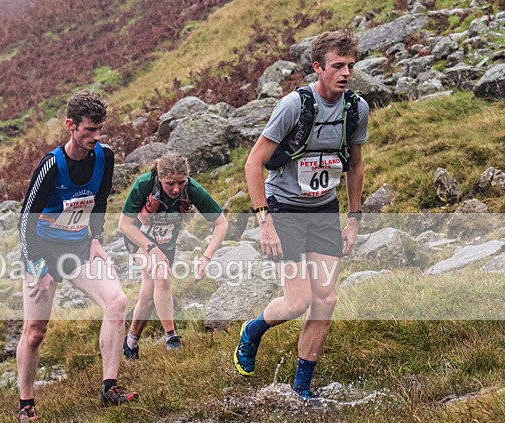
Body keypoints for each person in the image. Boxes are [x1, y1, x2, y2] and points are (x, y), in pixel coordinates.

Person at [232, 29, 369, 401]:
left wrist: (354, 219)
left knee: (326, 299)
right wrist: (265, 222)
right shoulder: (293, 106)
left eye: (350, 66)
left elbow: (356, 166)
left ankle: (302, 388)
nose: (345, 73)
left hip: (324, 209)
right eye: (337, 66)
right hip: (285, 210)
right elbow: (253, 163)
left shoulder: (357, 108)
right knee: (297, 302)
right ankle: (252, 331)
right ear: (317, 68)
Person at [16, 90, 137, 423]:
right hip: (42, 251)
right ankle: (26, 402)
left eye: (100, 130)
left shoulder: (105, 157)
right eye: (89, 131)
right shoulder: (52, 166)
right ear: (71, 126)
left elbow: (99, 201)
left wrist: (97, 239)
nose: (95, 138)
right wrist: (38, 266)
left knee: (116, 302)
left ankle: (110, 387)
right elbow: (25, 220)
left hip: (79, 248)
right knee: (35, 332)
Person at [119, 153, 228, 357]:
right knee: (162, 275)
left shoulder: (192, 189)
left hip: (166, 244)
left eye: (181, 182)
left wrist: (206, 257)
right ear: (159, 177)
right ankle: (171, 337)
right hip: (139, 240)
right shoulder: (143, 184)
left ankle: (131, 342)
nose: (176, 189)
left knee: (149, 296)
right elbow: (124, 224)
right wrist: (152, 249)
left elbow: (221, 223)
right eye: (170, 183)